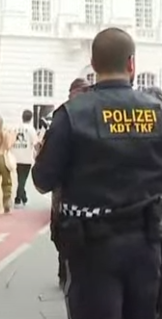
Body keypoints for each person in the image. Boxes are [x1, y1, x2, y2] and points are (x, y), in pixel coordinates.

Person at [33, 27, 162, 319]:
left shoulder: (71, 114)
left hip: (91, 247)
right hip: (146, 242)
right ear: (131, 64)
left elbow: (42, 180)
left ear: (93, 64)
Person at [49, 78, 89, 290]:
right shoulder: (64, 114)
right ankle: (64, 270)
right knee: (61, 230)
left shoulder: (68, 114)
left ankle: (68, 271)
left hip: (74, 188)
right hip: (64, 187)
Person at [11, 110, 39, 208]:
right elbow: (35, 144)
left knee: (20, 178)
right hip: (26, 157)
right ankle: (18, 198)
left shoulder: (15, 128)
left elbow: (10, 141)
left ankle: (23, 197)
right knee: (22, 179)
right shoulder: (31, 129)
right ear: (31, 118)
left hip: (15, 156)